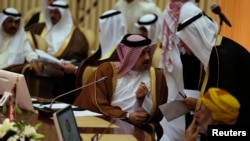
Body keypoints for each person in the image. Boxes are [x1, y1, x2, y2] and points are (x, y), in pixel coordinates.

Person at [74, 34, 168, 140]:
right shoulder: (107, 71)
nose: (147, 57)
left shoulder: (157, 77)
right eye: (142, 53)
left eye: (148, 52)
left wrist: (142, 101)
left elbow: (158, 114)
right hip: (107, 127)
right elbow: (97, 104)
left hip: (140, 131)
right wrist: (127, 116)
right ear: (129, 55)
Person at [176, 1, 250, 126]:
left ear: (195, 37)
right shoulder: (211, 52)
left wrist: (198, 104)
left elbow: (226, 105)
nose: (181, 44)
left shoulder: (222, 56)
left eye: (184, 40)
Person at [26, 0, 89, 103]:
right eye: (50, 12)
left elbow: (80, 60)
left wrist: (67, 64)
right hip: (37, 72)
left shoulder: (77, 36)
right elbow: (25, 40)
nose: (52, 15)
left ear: (64, 14)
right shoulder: (39, 27)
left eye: (56, 12)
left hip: (62, 78)